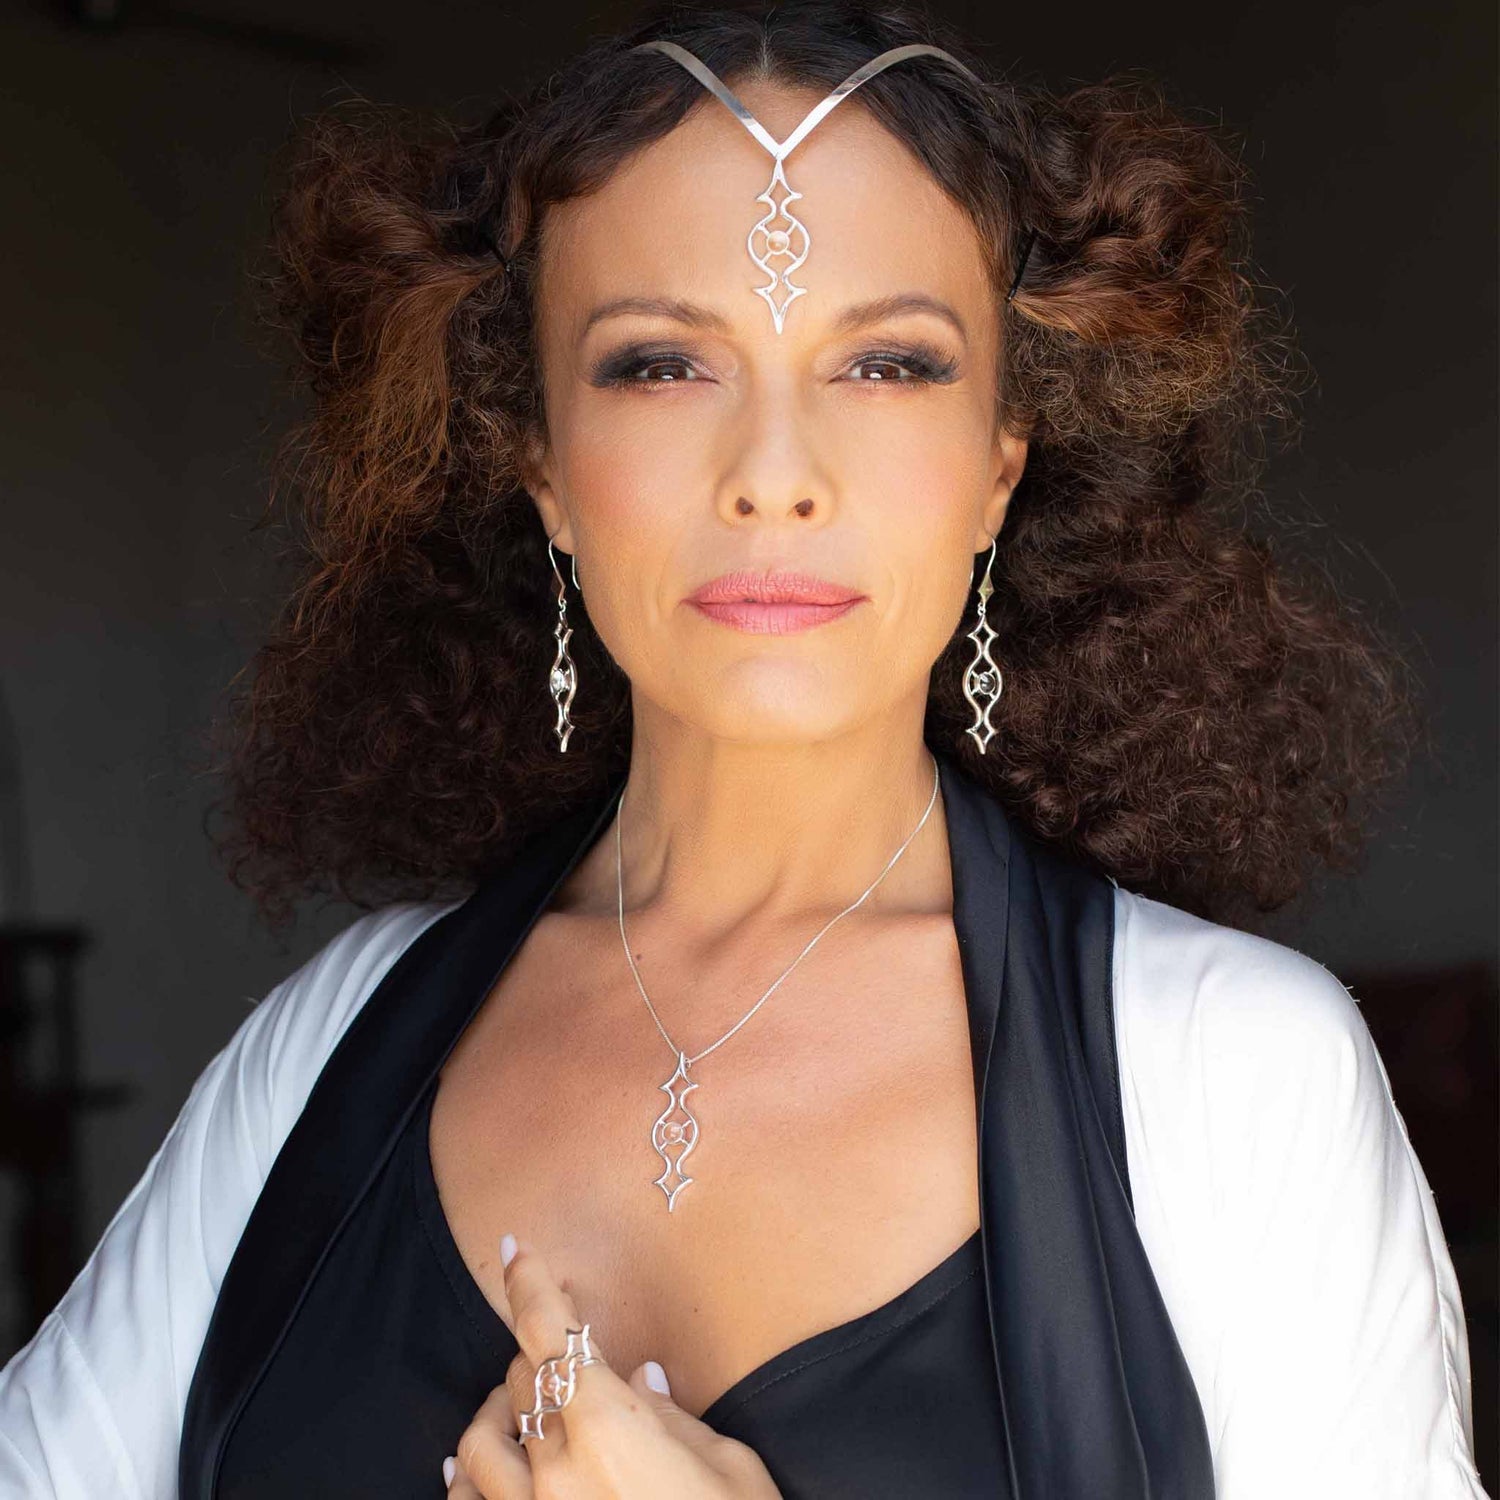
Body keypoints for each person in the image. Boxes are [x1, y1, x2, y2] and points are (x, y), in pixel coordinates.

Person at [0, 1, 1488, 1496]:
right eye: (661, 365)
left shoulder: (1238, 1079)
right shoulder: (325, 1055)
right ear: (544, 473)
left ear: (998, 469)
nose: (774, 475)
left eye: (887, 365)